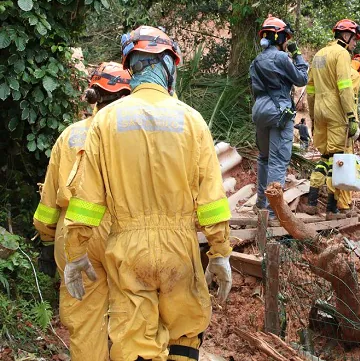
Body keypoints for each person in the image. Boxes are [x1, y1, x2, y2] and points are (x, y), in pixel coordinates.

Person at [62, 26, 233, 361]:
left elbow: (87, 201)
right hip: (180, 251)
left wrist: (75, 251)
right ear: (169, 65)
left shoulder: (105, 121)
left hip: (128, 251)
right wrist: (220, 251)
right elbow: (212, 199)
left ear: (132, 67)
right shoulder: (192, 120)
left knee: (135, 344)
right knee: (185, 333)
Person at [33, 62, 132, 360]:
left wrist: (47, 238)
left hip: (76, 234)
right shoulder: (134, 137)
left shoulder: (70, 136)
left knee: (85, 320)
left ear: (92, 96)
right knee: (130, 315)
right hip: (124, 232)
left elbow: (50, 197)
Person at [301, 48, 360, 218]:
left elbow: (310, 91)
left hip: (319, 112)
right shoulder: (351, 73)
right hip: (337, 117)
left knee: (324, 158)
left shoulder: (319, 56)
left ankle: (311, 202)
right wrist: (352, 120)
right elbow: (348, 96)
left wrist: (312, 117)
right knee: (339, 160)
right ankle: (334, 208)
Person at [250, 15, 309, 215]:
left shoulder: (257, 60)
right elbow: (301, 79)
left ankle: (260, 205)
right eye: (285, 38)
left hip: (260, 109)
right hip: (279, 111)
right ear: (279, 37)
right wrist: (298, 55)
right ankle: (273, 211)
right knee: (278, 161)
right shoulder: (282, 57)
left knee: (264, 158)